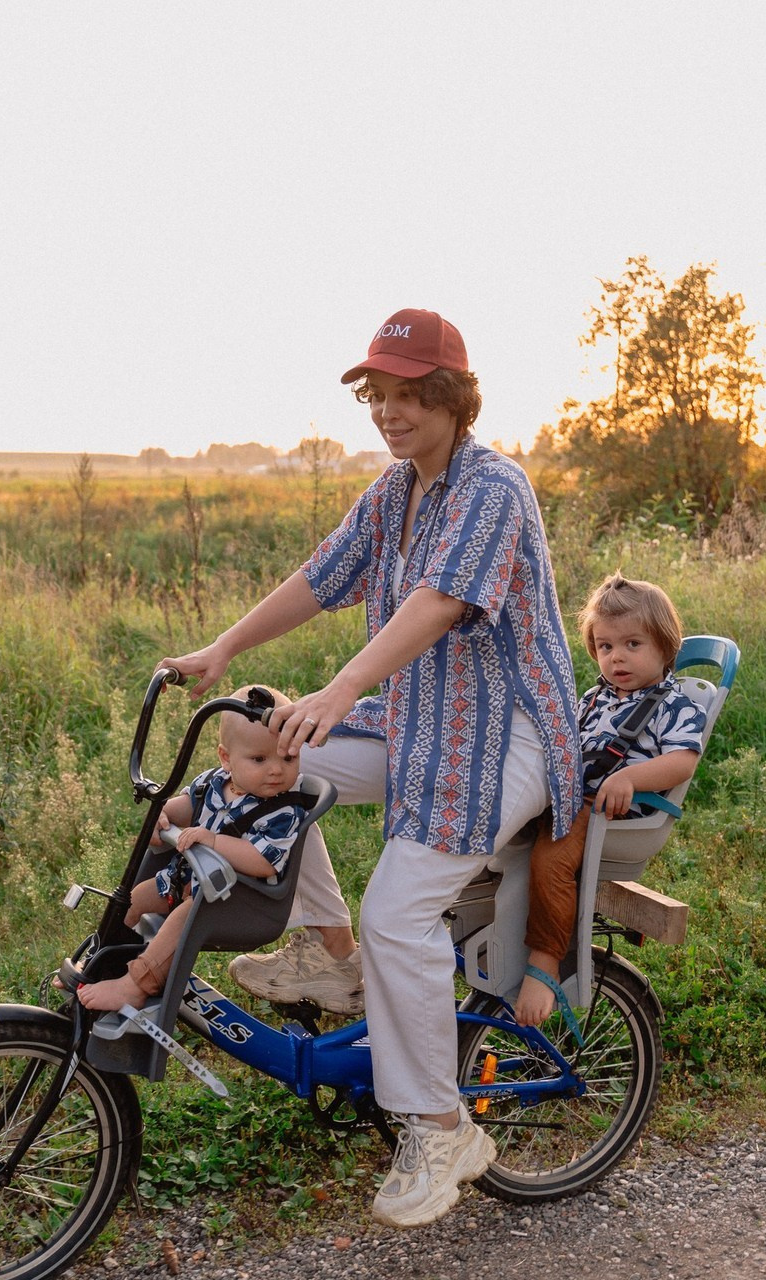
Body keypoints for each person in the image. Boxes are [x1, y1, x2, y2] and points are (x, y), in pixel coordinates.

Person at [162, 309, 583, 1230]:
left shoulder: (493, 488)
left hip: (503, 731)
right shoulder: (397, 492)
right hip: (423, 717)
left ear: (452, 399)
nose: (391, 412)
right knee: (280, 767)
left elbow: (436, 605)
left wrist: (342, 689)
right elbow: (322, 577)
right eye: (380, 396)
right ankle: (330, 949)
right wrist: (225, 648)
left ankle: (443, 1130)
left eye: (411, 395)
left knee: (403, 910)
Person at [515, 572, 707, 1025]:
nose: (616, 657)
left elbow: (683, 761)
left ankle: (543, 963)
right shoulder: (596, 697)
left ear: (665, 645)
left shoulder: (674, 705)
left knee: (554, 858)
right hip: (572, 797)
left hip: (614, 813)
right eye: (605, 647)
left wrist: (631, 778)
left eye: (632, 644)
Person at [71, 686, 305, 1013]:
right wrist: (163, 815)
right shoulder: (214, 782)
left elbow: (263, 862)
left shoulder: (283, 810)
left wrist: (212, 840)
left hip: (236, 900)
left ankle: (137, 985)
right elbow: (185, 806)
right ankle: (102, 962)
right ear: (226, 758)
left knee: (184, 917)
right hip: (188, 882)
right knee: (136, 898)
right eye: (259, 759)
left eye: (288, 756)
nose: (277, 769)